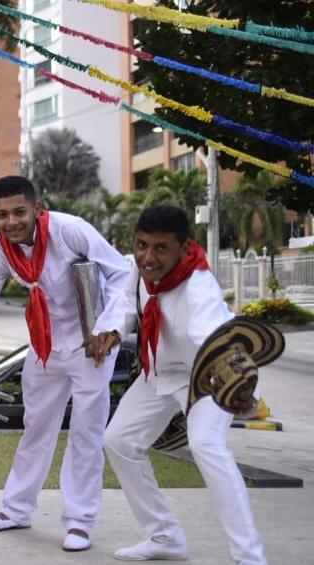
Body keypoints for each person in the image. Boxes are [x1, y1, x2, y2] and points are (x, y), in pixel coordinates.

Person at [0, 175, 132, 552]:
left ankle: (80, 521)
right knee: (35, 427)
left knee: (85, 431)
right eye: (3, 214)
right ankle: (16, 509)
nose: (12, 221)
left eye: (20, 212)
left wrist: (109, 328)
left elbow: (121, 273)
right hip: (45, 343)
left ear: (37, 209)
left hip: (92, 341)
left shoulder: (70, 230)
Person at [103, 205, 268, 564]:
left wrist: (238, 387)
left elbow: (210, 338)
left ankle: (249, 557)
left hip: (209, 374)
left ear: (183, 247)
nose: (148, 257)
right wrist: (111, 332)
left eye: (161, 248)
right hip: (160, 372)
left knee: (206, 445)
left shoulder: (198, 284)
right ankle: (164, 536)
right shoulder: (140, 269)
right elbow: (126, 304)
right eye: (142, 245)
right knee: (118, 441)